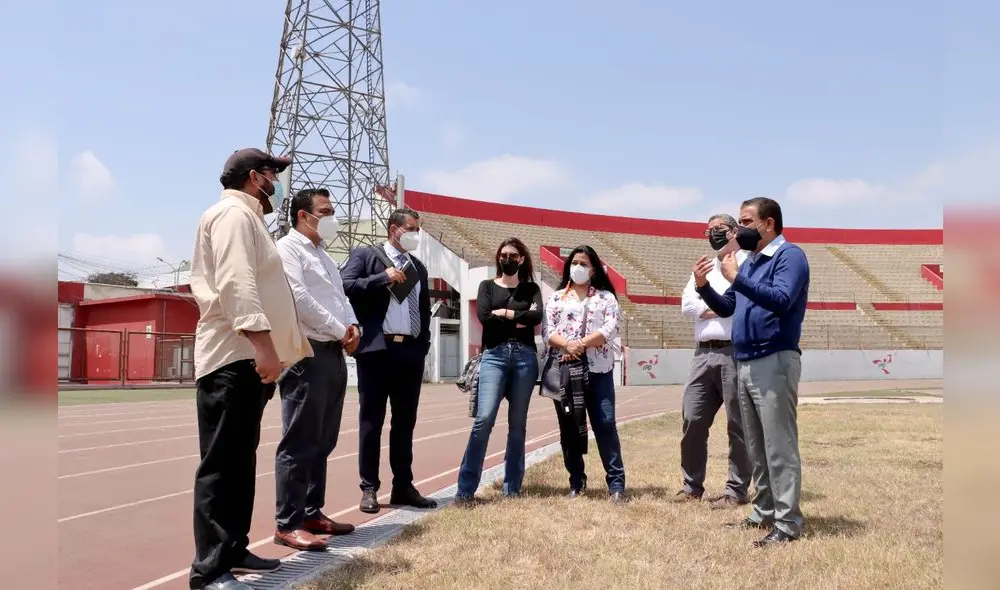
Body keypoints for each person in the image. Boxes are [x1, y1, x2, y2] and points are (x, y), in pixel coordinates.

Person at [188, 148, 312, 590]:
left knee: (239, 461)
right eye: (273, 176)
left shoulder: (248, 219)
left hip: (246, 360)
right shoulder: (233, 217)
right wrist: (262, 343)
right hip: (233, 357)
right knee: (222, 464)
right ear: (256, 178)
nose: (276, 184)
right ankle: (210, 570)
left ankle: (233, 548)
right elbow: (236, 282)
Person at [692, 196, 810, 547]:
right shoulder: (753, 262)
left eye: (745, 222)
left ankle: (788, 524)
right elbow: (729, 305)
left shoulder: (790, 256)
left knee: (779, 445)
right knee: (756, 446)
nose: (739, 229)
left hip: (773, 359)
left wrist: (737, 278)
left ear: (768, 224)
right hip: (745, 360)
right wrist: (704, 287)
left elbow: (781, 299)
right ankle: (762, 512)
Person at [272, 188, 360, 551]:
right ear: (302, 216)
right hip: (306, 354)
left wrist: (354, 328)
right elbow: (300, 300)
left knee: (323, 440)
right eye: (325, 211)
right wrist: (341, 330)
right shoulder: (288, 250)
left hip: (334, 354)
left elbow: (342, 299)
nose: (332, 217)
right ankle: (287, 523)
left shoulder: (323, 255)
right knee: (300, 441)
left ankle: (311, 511)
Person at [340, 207, 437, 514]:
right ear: (394, 229)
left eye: (418, 230)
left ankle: (403, 486)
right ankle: (369, 487)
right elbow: (345, 285)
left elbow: (423, 309)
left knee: (405, 422)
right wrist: (383, 278)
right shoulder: (366, 256)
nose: (415, 235)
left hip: (409, 352)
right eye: (411, 229)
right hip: (377, 350)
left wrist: (423, 345)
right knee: (372, 421)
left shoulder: (417, 267)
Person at [454, 238, 544, 506]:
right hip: (494, 356)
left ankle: (512, 489)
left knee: (518, 425)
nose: (507, 259)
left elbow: (536, 318)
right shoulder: (486, 287)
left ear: (522, 259)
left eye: (513, 255)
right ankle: (465, 490)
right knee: (484, 420)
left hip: (525, 358)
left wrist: (503, 312)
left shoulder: (531, 288)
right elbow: (484, 317)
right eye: (503, 254)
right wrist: (518, 316)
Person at [674, 214, 752, 508]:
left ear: (734, 231)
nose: (713, 234)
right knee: (692, 418)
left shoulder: (745, 263)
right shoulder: (703, 267)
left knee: (738, 424)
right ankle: (692, 485)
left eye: (719, 229)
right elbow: (686, 306)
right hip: (702, 352)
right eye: (709, 230)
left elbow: (735, 306)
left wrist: (706, 305)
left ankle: (736, 490)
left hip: (734, 352)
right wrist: (716, 306)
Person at [541, 245, 626, 504]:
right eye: (575, 262)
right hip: (566, 371)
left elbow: (611, 327)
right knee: (569, 427)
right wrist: (567, 345)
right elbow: (548, 331)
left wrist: (580, 343)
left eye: (584, 263)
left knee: (605, 424)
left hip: (598, 370)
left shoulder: (605, 298)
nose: (579, 267)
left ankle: (616, 484)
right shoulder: (556, 298)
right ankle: (576, 481)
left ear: (594, 269)